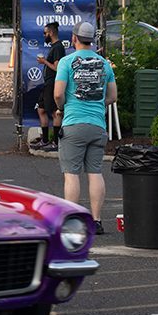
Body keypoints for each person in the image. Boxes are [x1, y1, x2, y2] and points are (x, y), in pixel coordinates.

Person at [53, 21, 116, 233]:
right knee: (95, 172)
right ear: (92, 40)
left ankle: (73, 222)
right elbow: (113, 96)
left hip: (73, 124)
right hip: (98, 126)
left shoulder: (66, 62)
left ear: (74, 38)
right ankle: (97, 221)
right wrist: (96, 103)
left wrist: (62, 108)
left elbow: (58, 94)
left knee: (71, 174)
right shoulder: (104, 64)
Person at [32, 22, 66, 151]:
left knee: (54, 112)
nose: (44, 35)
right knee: (41, 109)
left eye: (45, 33)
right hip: (47, 83)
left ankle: (56, 142)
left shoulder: (58, 47)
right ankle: (45, 139)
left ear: (51, 33)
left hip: (53, 83)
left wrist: (44, 61)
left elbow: (57, 68)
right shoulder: (54, 47)